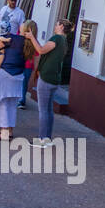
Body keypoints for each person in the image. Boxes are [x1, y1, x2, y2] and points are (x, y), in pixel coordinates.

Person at [23, 19, 71, 147]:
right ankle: (47, 138)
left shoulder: (57, 38)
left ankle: (42, 139)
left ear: (61, 26)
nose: (55, 26)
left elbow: (41, 50)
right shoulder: (64, 41)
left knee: (43, 111)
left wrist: (32, 37)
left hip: (46, 77)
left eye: (57, 24)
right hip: (54, 78)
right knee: (48, 110)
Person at [0, 18, 32, 140]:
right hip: (19, 75)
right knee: (12, 105)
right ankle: (9, 131)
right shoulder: (30, 44)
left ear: (25, 28)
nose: (21, 24)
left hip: (6, 73)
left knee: (3, 104)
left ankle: (4, 133)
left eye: (23, 23)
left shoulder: (13, 38)